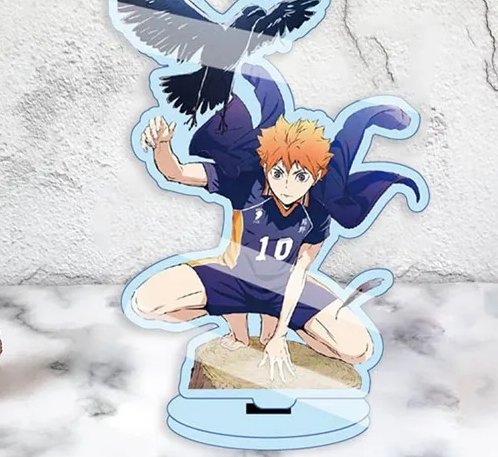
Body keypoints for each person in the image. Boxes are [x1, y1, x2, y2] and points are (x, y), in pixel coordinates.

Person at [131, 114, 374, 382]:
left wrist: (281, 333)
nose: (287, 185)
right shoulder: (246, 183)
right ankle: (236, 329)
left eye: (300, 176)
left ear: (315, 176)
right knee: (146, 303)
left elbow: (299, 272)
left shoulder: (318, 210)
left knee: (359, 350)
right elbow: (177, 172)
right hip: (232, 278)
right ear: (266, 166)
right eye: (278, 173)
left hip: (284, 288)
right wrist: (162, 145)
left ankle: (286, 327)